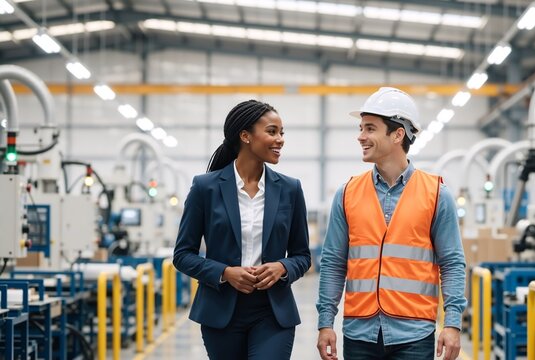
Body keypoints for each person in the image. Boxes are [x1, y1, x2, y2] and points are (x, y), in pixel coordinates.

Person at [316, 87, 467, 360]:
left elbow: (452, 263)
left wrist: (452, 323)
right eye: (361, 128)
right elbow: (333, 262)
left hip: (414, 334)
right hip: (359, 332)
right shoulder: (347, 193)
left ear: (398, 134)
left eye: (370, 128)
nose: (360, 136)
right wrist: (326, 321)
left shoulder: (436, 194)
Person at [173, 100, 311, 360]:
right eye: (272, 131)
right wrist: (225, 272)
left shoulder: (290, 189)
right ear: (245, 136)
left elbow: (302, 256)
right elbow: (182, 255)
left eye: (282, 133)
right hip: (220, 312)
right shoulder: (205, 188)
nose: (280, 139)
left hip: (273, 312)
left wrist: (282, 267)